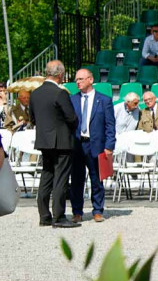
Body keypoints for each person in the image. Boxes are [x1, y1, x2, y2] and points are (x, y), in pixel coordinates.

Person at [28, 60, 79, 229]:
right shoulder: (60, 93)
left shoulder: (35, 94)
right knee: (61, 178)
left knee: (47, 176)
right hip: (61, 141)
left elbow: (33, 118)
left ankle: (44, 215)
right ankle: (59, 215)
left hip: (44, 140)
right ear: (60, 74)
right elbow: (71, 118)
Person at [69, 68, 115, 224]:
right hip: (77, 144)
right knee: (76, 179)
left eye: (81, 79)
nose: (78, 82)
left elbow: (110, 125)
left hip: (95, 144)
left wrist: (109, 146)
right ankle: (77, 211)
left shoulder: (104, 100)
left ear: (90, 79)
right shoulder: (72, 99)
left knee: (96, 178)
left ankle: (97, 210)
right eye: (76, 79)